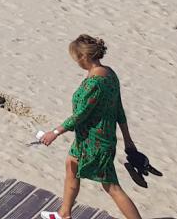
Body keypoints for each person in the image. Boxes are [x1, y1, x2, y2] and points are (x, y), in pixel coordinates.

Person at [38, 35, 143, 219]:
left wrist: (54, 133)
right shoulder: (109, 73)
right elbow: (119, 109)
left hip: (96, 142)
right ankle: (64, 213)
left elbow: (79, 116)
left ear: (84, 57)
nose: (76, 62)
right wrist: (128, 140)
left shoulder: (94, 84)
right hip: (88, 139)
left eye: (76, 58)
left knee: (111, 186)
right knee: (71, 166)